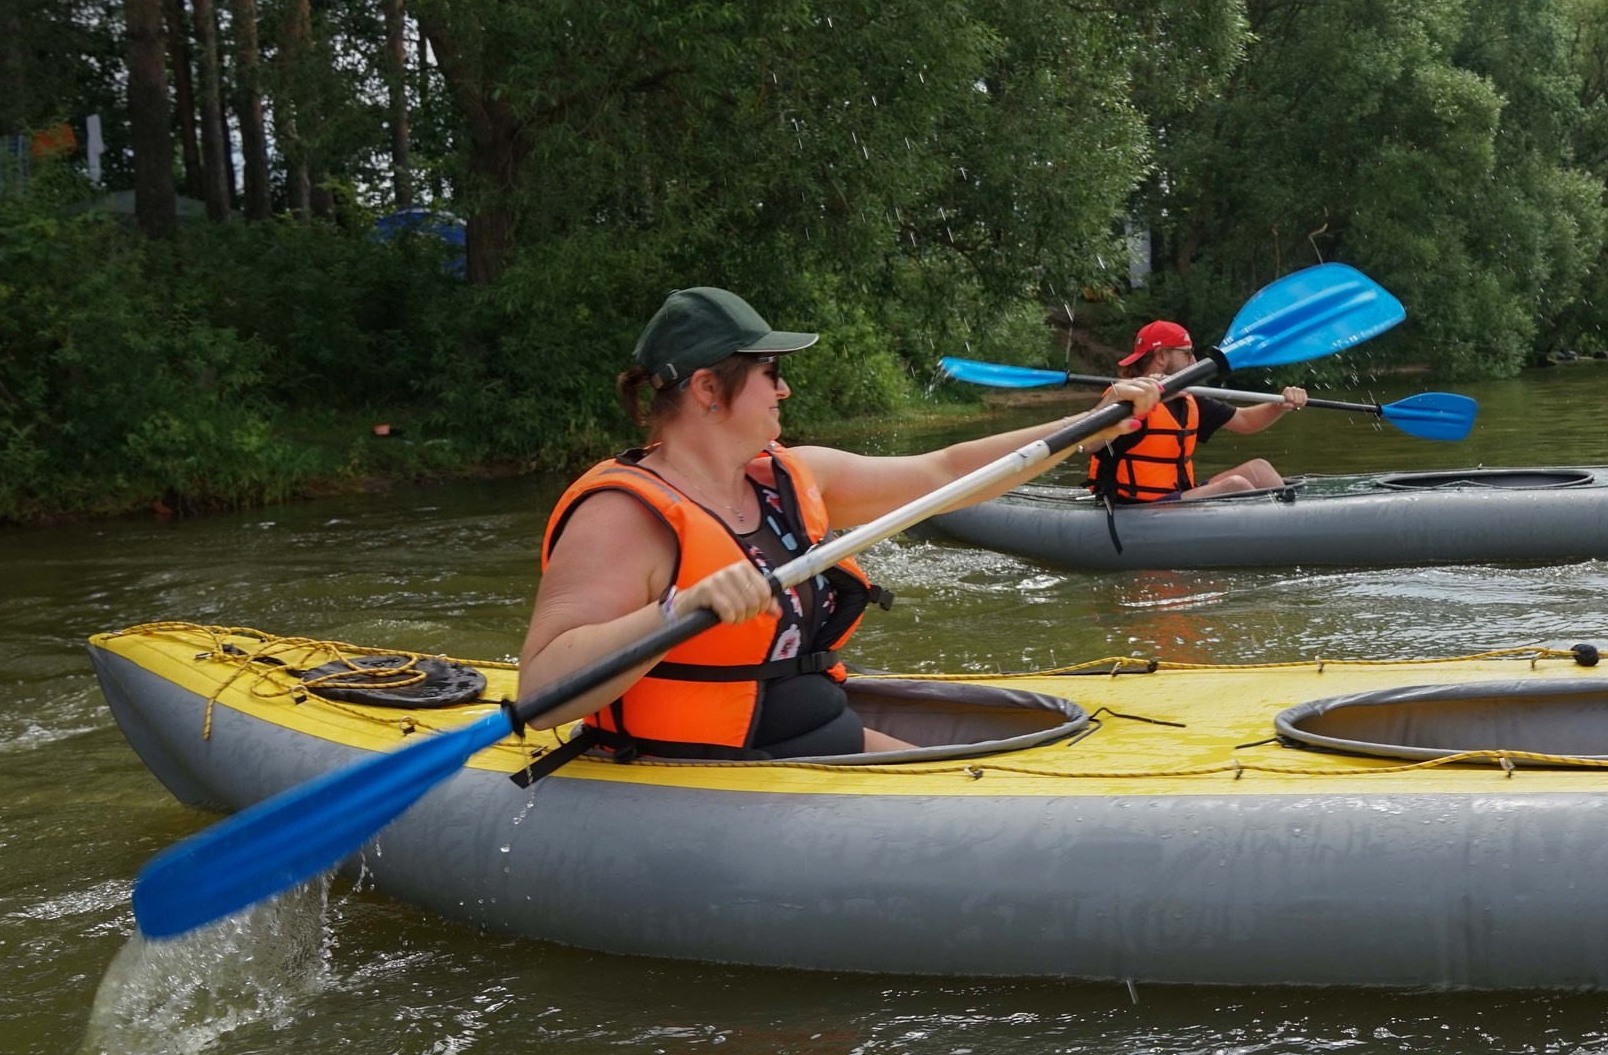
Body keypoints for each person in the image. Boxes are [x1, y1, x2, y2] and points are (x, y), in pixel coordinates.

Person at [518, 287, 1161, 764]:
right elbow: (543, 691)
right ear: (710, 389)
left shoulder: (789, 477)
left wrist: (1087, 427)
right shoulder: (622, 516)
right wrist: (676, 609)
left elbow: (944, 475)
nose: (785, 389)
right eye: (770, 373)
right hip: (707, 769)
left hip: (821, 740)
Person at [1086, 320, 1310, 502]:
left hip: (1179, 495)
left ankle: (1294, 523)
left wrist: (1280, 405)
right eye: (1187, 352)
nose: (1194, 360)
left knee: (1259, 470)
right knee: (1236, 485)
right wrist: (1139, 407)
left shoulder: (1189, 398)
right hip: (1136, 506)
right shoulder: (1125, 396)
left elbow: (1245, 421)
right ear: (1162, 356)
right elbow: (1090, 443)